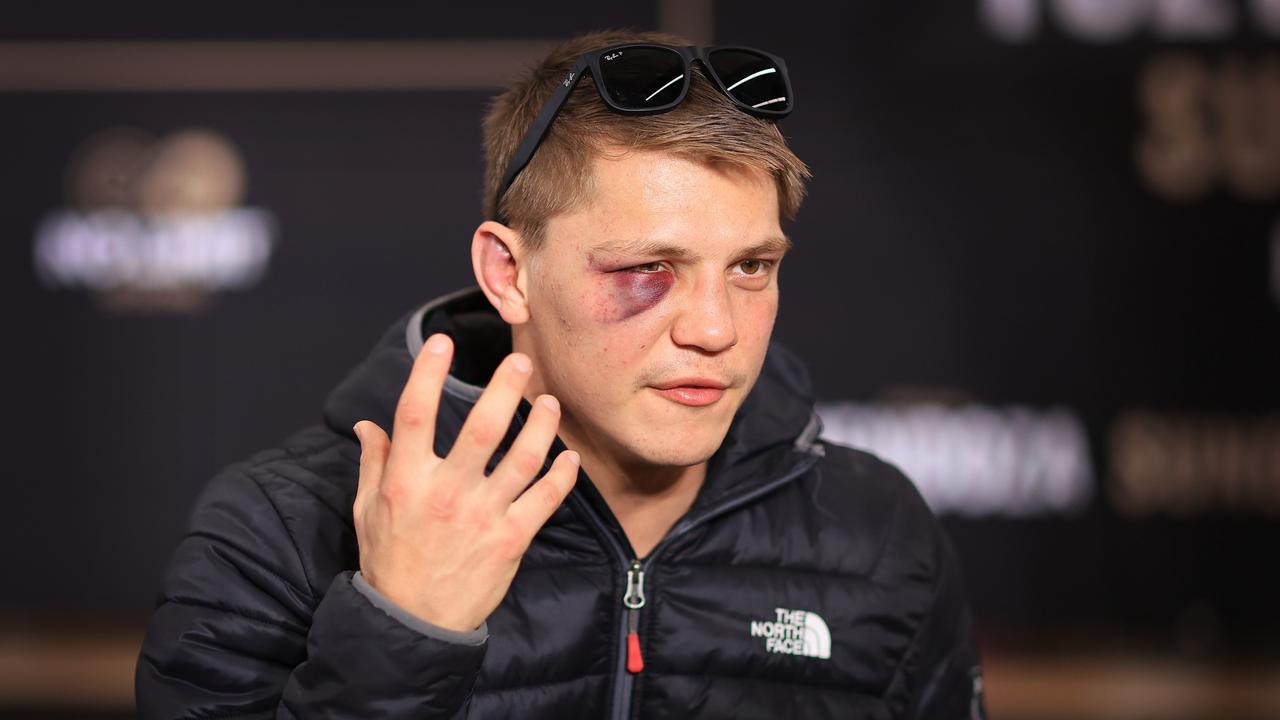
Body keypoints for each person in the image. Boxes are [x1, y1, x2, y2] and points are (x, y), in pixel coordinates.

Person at [135, 28, 986, 719]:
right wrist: (403, 636)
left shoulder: (882, 538)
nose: (716, 329)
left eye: (751, 267)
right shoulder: (277, 535)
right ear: (509, 273)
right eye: (646, 270)